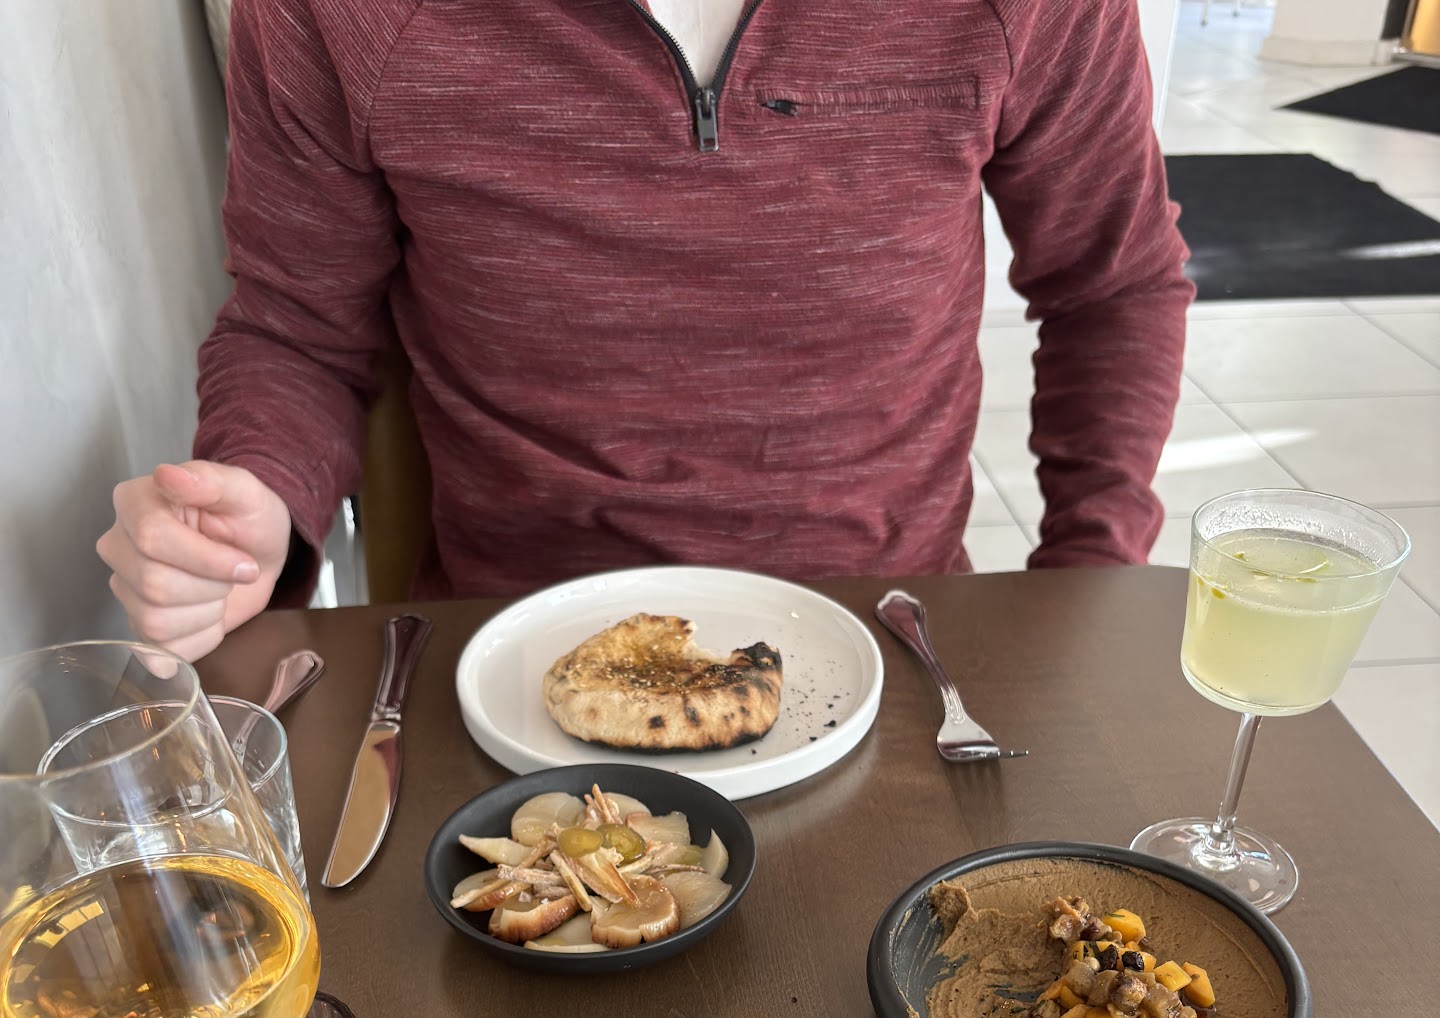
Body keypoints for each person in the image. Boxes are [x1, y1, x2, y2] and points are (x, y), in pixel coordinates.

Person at [99, 0, 1191, 662]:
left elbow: (1114, 284)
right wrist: (255, 502)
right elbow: (295, 328)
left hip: (893, 633)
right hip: (512, 649)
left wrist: (1088, 575)